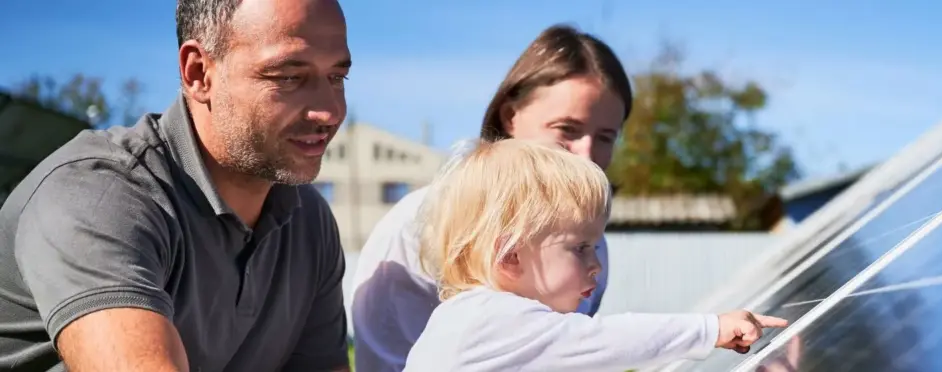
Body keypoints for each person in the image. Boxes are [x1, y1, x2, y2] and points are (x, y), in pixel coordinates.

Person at [0, 0, 353, 370]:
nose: (328, 112)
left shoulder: (307, 222)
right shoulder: (99, 196)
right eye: (289, 77)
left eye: (337, 77)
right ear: (199, 72)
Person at [351, 24, 631, 372]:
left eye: (605, 137)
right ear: (510, 117)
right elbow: (387, 360)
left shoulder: (588, 245)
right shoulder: (422, 223)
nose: (585, 155)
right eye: (566, 130)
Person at [401, 138, 788, 371]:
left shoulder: (465, 318)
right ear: (511, 255)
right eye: (579, 248)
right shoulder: (493, 320)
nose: (596, 265)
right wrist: (710, 329)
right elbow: (606, 340)